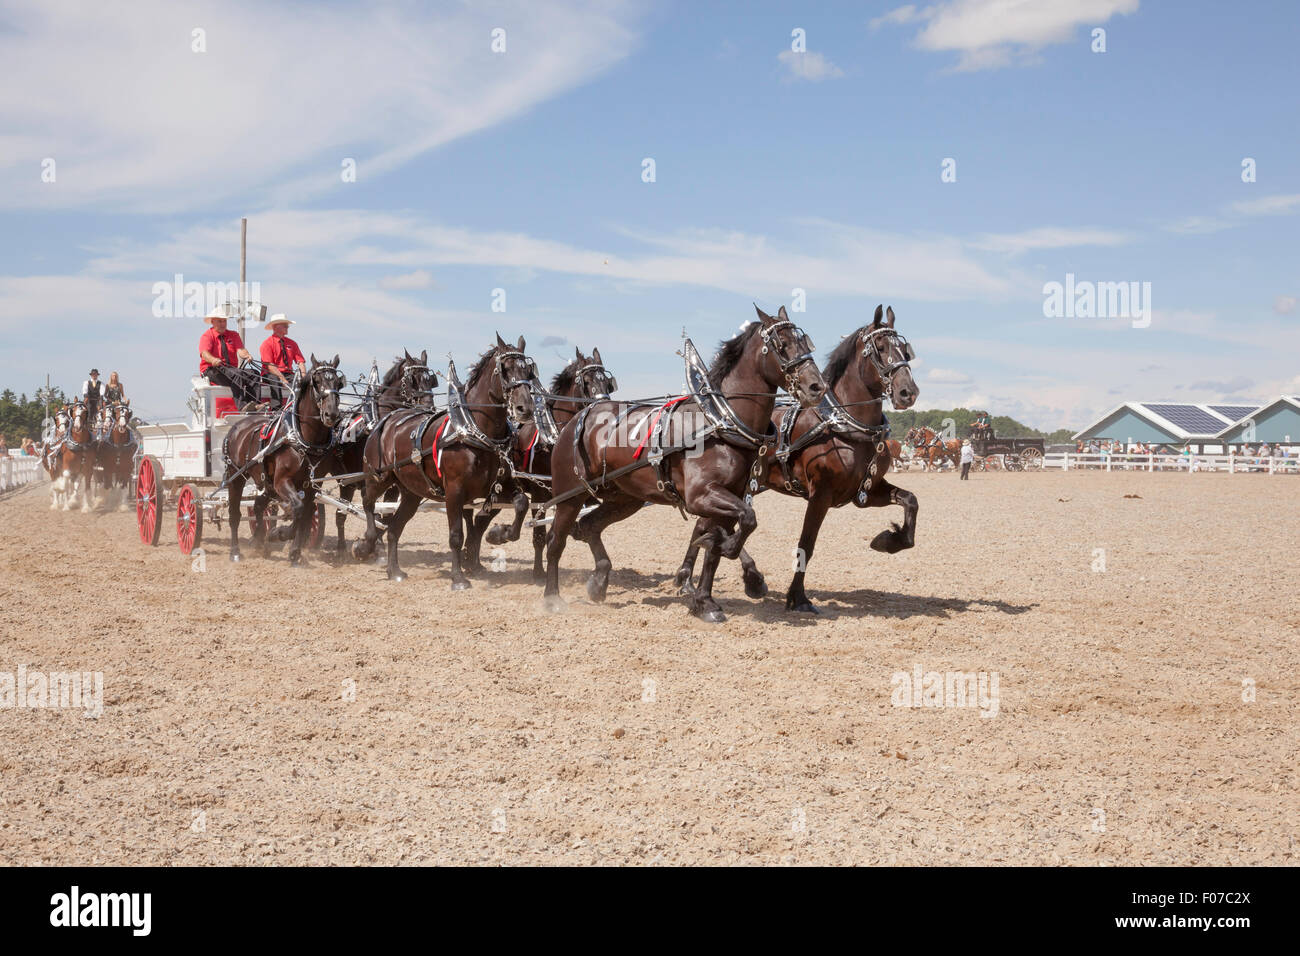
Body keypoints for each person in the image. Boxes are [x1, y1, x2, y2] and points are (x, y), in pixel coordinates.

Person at [199, 305, 258, 409]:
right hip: (211, 370)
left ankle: (255, 405)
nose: (223, 324)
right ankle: (242, 407)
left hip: (230, 370)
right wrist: (213, 360)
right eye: (220, 321)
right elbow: (204, 353)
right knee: (237, 374)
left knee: (254, 374)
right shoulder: (207, 336)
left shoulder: (233, 335)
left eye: (224, 321)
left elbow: (241, 350)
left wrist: (247, 355)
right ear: (213, 322)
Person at [259, 314, 306, 407]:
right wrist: (282, 379)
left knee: (303, 383)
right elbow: (270, 366)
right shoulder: (267, 344)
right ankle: (276, 408)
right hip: (270, 374)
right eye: (284, 325)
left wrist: (304, 376)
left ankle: (299, 407)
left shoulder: (292, 343)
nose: (287, 327)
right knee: (275, 379)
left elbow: (300, 361)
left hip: (288, 374)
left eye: (287, 325)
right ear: (275, 327)